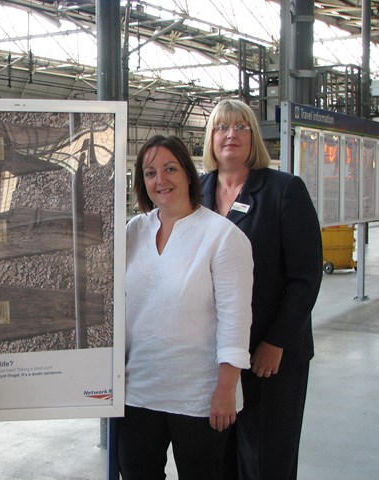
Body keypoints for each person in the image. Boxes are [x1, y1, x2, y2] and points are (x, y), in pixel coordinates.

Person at [199, 99, 323, 480]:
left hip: (269, 357)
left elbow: (305, 276)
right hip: (214, 355)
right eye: (221, 127)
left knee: (266, 459)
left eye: (240, 127)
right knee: (217, 458)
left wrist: (277, 342)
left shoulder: (284, 190)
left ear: (254, 138)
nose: (230, 135)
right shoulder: (195, 192)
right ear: (211, 138)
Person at [118, 135, 254, 480]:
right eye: (150, 173)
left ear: (189, 175)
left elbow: (235, 319)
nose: (160, 181)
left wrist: (226, 389)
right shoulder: (133, 232)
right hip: (138, 390)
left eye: (170, 169)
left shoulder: (222, 236)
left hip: (198, 395)